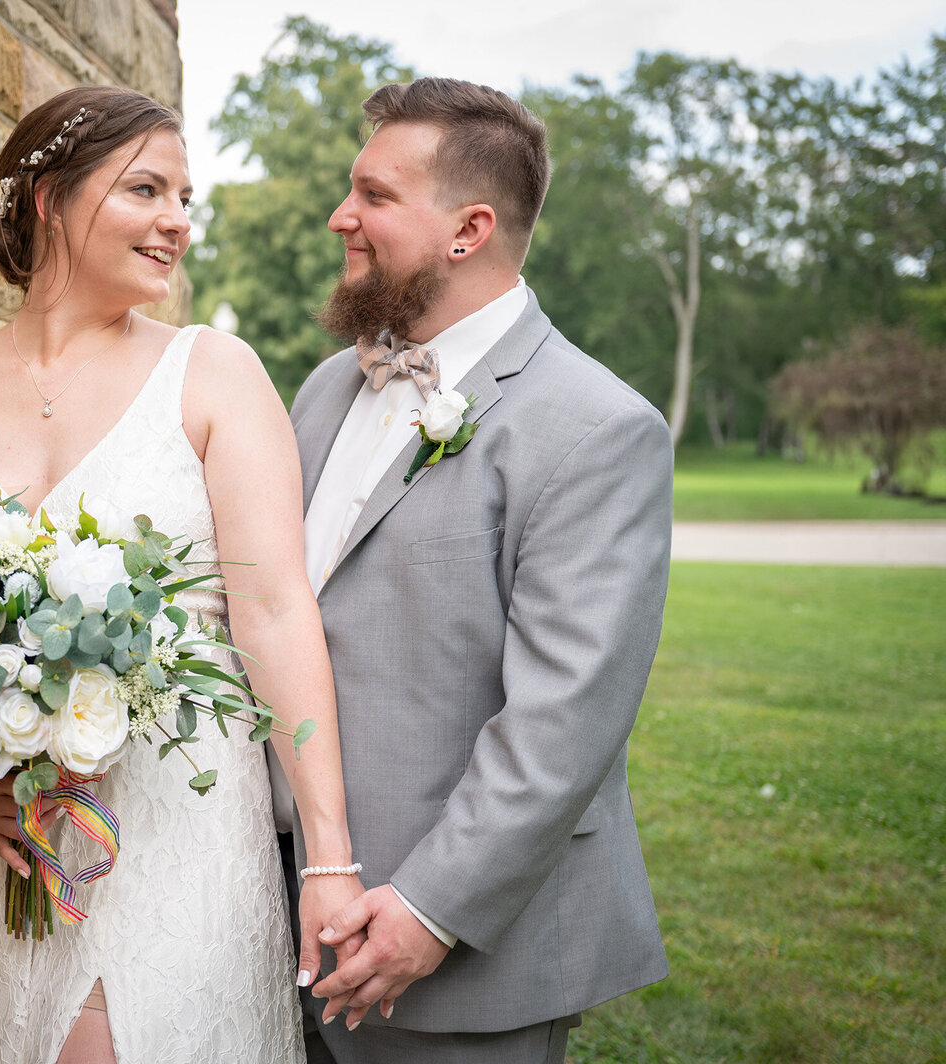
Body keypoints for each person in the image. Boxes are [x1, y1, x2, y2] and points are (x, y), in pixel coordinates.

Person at [0, 85, 361, 1064]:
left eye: (186, 199)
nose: (177, 223)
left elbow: (273, 612)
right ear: (48, 199)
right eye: (147, 190)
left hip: (172, 827)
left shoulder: (214, 372)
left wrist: (329, 856)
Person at [285, 78, 672, 1064]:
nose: (341, 216)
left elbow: (566, 717)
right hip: (284, 905)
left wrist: (427, 909)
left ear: (468, 229)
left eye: (372, 195)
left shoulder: (597, 427)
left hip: (455, 962)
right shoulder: (330, 386)